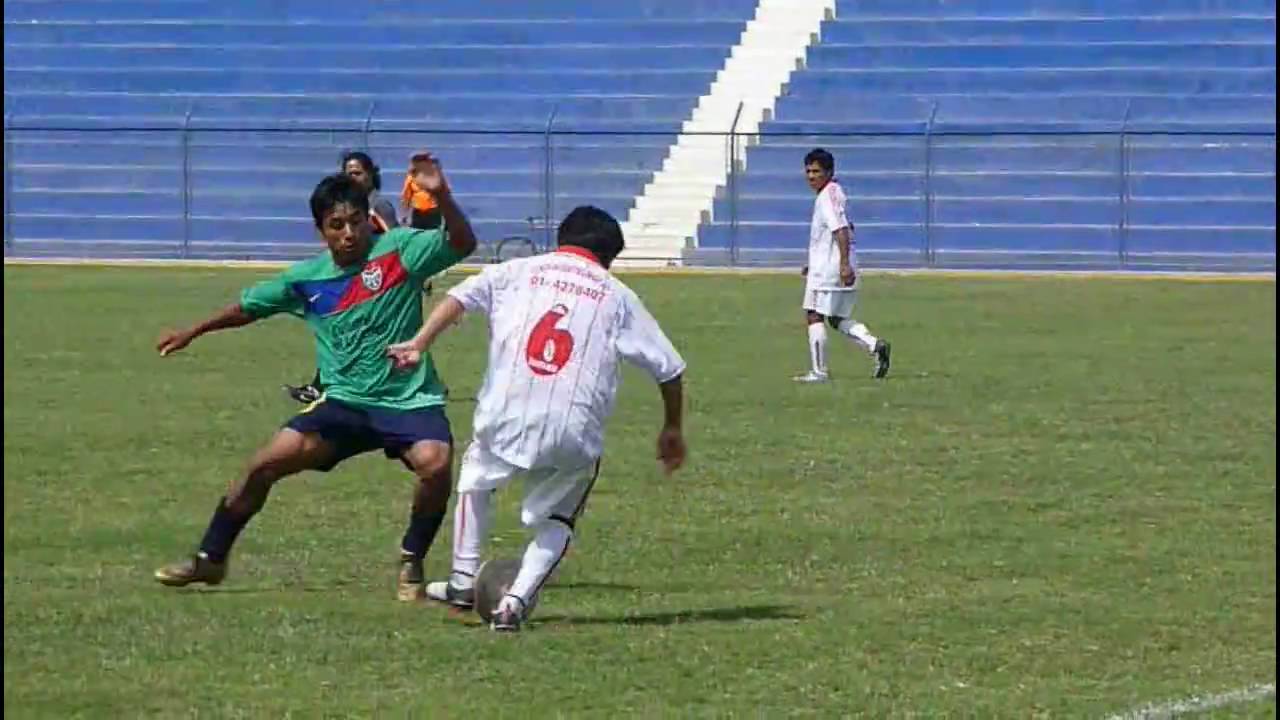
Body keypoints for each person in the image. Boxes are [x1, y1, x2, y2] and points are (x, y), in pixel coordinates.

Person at [153, 157, 477, 603]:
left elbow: (462, 243)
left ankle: (411, 557)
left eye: (356, 222)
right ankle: (210, 559)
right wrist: (195, 330)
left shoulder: (401, 250)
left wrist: (440, 197)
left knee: (436, 464)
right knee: (262, 464)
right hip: (343, 403)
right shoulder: (307, 279)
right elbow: (249, 307)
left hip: (408, 399)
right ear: (320, 230)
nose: (349, 233)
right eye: (336, 225)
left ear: (369, 220)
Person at [385, 206, 687, 632]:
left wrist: (419, 342)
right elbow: (670, 368)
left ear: (561, 239)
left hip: (506, 413)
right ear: (609, 256)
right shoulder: (617, 295)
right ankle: (513, 604)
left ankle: (463, 580)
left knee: (476, 477)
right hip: (573, 428)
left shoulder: (517, 270)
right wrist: (671, 428)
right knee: (559, 517)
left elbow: (458, 297)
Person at [285, 151, 400, 405]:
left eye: (358, 173)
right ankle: (322, 385)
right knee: (339, 330)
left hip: (379, 281)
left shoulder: (378, 206)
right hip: (353, 277)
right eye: (348, 173)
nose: (353, 178)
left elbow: (396, 241)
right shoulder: (345, 206)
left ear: (371, 175)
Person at [794, 148, 891, 383]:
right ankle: (874, 345)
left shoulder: (826, 196)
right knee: (836, 318)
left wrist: (843, 264)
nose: (811, 176)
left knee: (813, 315)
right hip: (834, 266)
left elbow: (840, 230)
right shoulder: (837, 192)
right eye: (808, 171)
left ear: (829, 172)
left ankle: (819, 372)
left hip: (831, 270)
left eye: (816, 171)